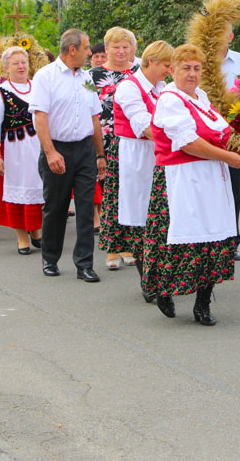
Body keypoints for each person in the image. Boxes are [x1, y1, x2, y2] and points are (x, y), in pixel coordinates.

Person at [143, 44, 240, 324]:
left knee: (212, 239)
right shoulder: (170, 99)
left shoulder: (201, 97)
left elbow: (222, 133)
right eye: (186, 68)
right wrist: (228, 157)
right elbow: (189, 143)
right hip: (181, 181)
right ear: (173, 70)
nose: (192, 74)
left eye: (197, 68)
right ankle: (164, 288)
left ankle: (203, 303)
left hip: (210, 181)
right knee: (177, 241)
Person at [29, 29, 105, 283]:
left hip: (84, 149)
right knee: (56, 206)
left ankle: (84, 264)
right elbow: (40, 116)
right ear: (71, 49)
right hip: (57, 147)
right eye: (86, 48)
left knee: (85, 208)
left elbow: (94, 116)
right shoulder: (46, 76)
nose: (90, 53)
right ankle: (50, 258)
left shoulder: (86, 78)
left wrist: (100, 153)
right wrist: (50, 152)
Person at [106, 39, 172, 301]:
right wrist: (179, 140)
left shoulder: (161, 87)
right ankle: (147, 279)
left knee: (159, 215)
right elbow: (145, 126)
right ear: (151, 62)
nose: (169, 69)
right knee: (139, 214)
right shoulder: (128, 88)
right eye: (166, 65)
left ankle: (158, 276)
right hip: (135, 153)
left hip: (158, 153)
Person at [0, 46, 44, 255]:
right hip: (16, 150)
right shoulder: (0, 93)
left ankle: (35, 230)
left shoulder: (38, 87)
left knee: (39, 190)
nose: (21, 66)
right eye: (16, 63)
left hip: (39, 147)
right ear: (6, 67)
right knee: (19, 192)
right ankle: (22, 237)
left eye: (24, 62)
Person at [93, 27, 141, 269]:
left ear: (133, 49)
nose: (121, 51)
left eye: (125, 46)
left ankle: (132, 244)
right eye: (116, 47)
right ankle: (113, 247)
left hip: (138, 142)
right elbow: (86, 111)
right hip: (107, 143)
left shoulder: (141, 71)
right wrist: (97, 151)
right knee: (111, 194)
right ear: (106, 48)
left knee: (134, 193)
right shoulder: (91, 76)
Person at [220, 23, 240, 261]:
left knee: (234, 186)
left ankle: (232, 240)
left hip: (234, 133)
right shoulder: (200, 60)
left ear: (230, 36)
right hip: (204, 133)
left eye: (223, 31)